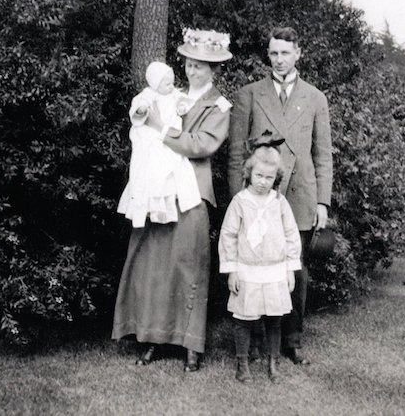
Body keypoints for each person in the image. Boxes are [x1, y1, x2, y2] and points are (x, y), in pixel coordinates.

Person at [112, 28, 233, 372]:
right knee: (155, 266)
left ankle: (191, 345)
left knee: (189, 267)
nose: (192, 71)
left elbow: (201, 145)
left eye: (200, 66)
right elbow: (142, 123)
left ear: (214, 70)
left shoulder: (219, 105)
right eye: (189, 64)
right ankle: (153, 338)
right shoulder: (169, 94)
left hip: (192, 194)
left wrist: (161, 128)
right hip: (159, 190)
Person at [228, 26, 333, 366]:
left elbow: (323, 155)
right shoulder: (249, 94)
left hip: (300, 195)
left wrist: (322, 201)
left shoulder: (315, 98)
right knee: (255, 267)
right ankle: (257, 339)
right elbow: (234, 155)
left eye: (285, 53)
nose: (279, 59)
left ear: (298, 53)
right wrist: (237, 201)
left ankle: (292, 340)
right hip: (258, 195)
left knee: (294, 269)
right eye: (273, 53)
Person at [219, 133, 302, 383]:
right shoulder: (240, 202)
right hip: (247, 269)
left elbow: (291, 236)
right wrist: (232, 270)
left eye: (269, 178)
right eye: (258, 176)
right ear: (249, 173)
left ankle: (273, 363)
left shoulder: (280, 203)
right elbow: (229, 236)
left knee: (274, 319)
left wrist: (289, 269)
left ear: (276, 178)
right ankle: (242, 363)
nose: (263, 182)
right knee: (244, 318)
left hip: (274, 270)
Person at [117, 61, 201, 227]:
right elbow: (139, 107)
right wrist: (141, 109)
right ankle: (151, 206)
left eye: (172, 82)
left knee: (173, 165)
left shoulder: (173, 94)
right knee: (151, 168)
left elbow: (183, 102)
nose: (171, 86)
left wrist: (182, 106)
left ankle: (166, 203)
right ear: (155, 84)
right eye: (167, 83)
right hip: (151, 134)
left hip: (167, 133)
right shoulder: (148, 94)